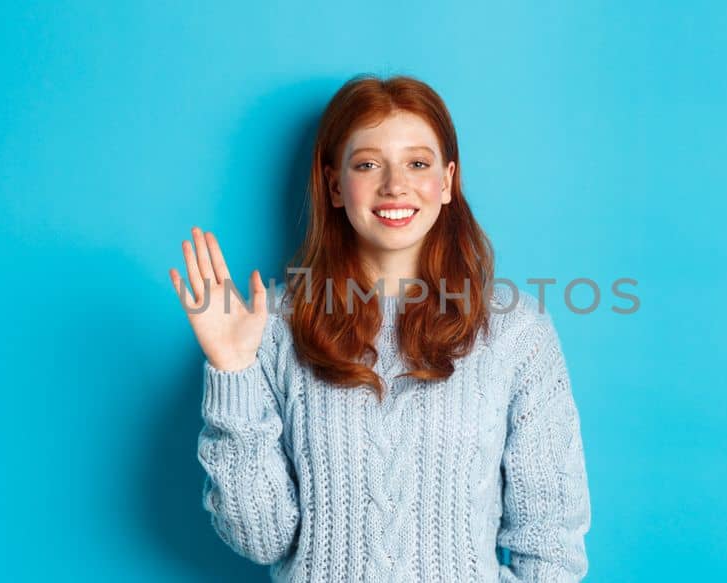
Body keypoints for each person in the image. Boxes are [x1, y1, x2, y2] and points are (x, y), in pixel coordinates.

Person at [168, 74, 590, 582]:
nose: (395, 185)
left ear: (447, 181)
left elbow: (550, 541)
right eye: (368, 164)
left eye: (417, 163)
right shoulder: (275, 325)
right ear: (334, 186)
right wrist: (232, 369)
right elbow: (262, 539)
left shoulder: (515, 331)